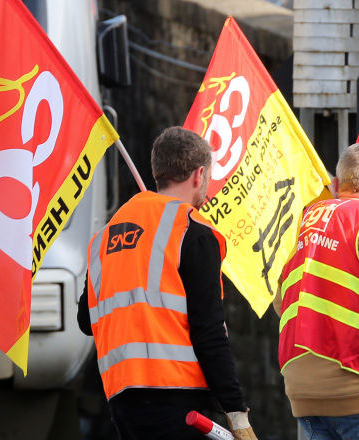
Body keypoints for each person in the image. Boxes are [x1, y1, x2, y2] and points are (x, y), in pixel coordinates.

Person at [77, 127, 256, 440]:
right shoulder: (192, 230)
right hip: (181, 400)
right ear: (199, 174)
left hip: (122, 401)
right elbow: (209, 329)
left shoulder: (104, 237)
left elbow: (86, 320)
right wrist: (236, 413)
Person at [275, 143, 359, 440]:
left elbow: (279, 301)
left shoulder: (305, 217)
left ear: (337, 184)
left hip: (302, 388)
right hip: (350, 382)